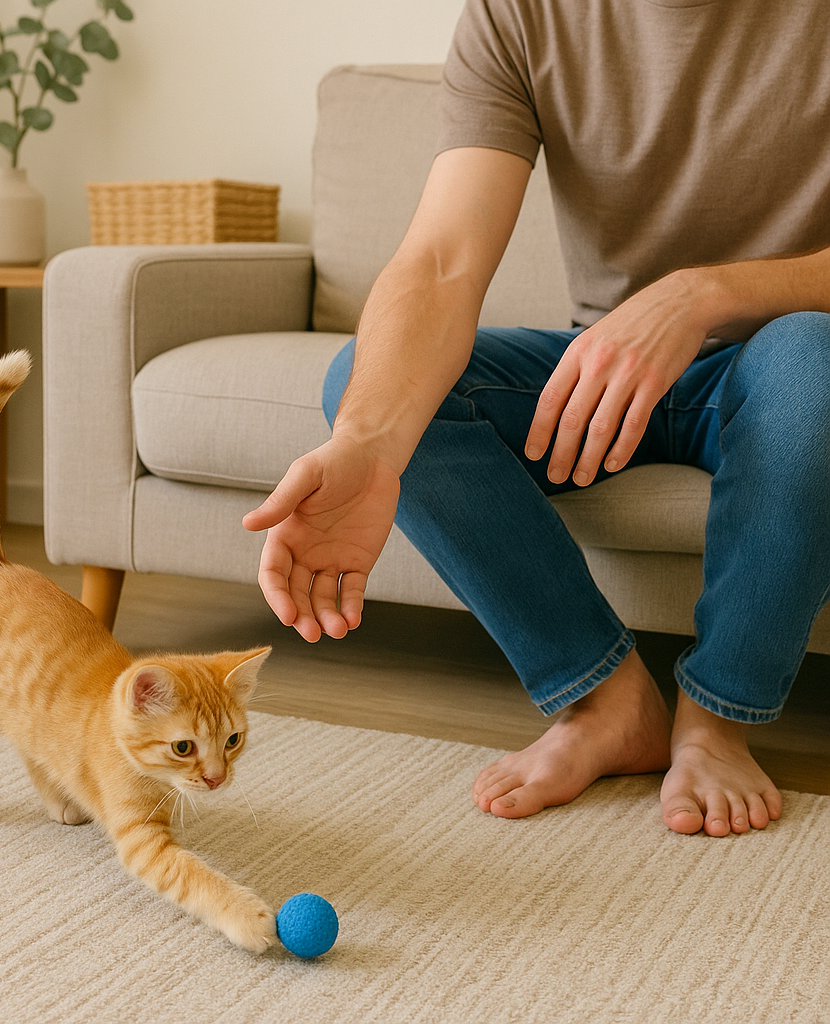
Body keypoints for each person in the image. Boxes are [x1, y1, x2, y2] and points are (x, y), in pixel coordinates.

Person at [243, 0, 830, 837]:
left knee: (819, 360)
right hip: (602, 367)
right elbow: (444, 260)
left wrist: (703, 294)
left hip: (792, 351)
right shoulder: (519, 12)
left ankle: (719, 717)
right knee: (368, 387)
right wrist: (369, 444)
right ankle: (605, 702)